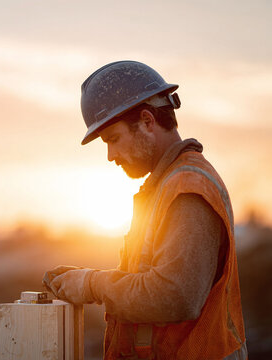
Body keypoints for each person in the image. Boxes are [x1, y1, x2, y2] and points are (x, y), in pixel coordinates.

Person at [43, 61, 247, 360]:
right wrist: (89, 278)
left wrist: (91, 284)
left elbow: (175, 296)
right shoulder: (166, 186)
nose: (111, 155)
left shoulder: (187, 188)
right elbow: (152, 278)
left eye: (113, 139)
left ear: (148, 121)